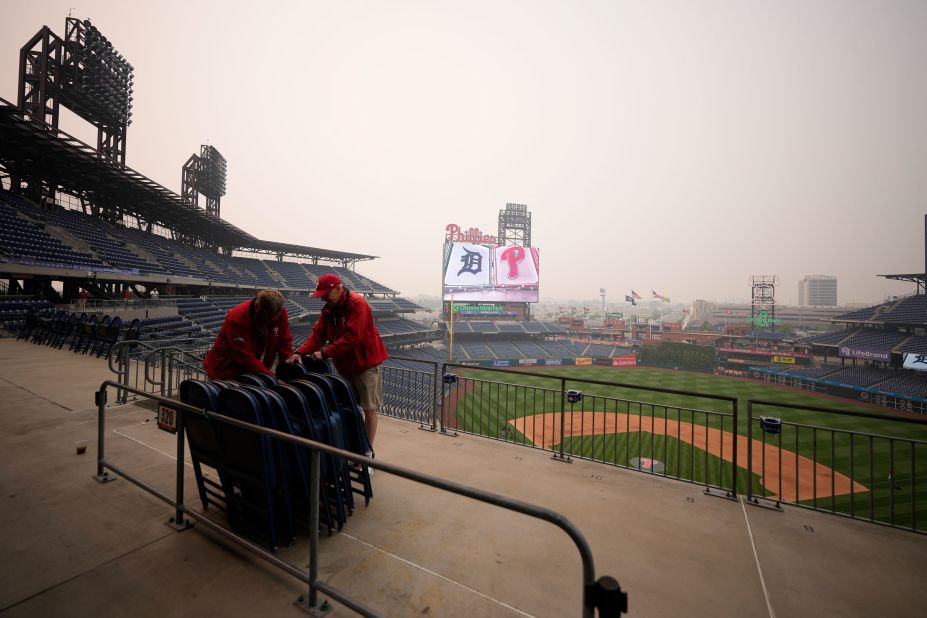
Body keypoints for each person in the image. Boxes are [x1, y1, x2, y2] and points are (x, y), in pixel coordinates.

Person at [287, 274, 388, 457]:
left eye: (326, 293)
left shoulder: (358, 303)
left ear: (338, 288)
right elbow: (318, 336)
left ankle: (367, 453)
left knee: (369, 409)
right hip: (346, 367)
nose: (323, 298)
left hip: (366, 365)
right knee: (349, 407)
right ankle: (353, 446)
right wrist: (299, 352)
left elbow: (352, 337)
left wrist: (325, 353)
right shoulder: (329, 310)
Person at [204, 289, 295, 380]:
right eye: (265, 318)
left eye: (272, 318)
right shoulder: (237, 317)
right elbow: (243, 356)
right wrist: (272, 378)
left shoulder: (280, 314)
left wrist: (289, 366)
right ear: (257, 306)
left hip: (247, 371)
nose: (267, 322)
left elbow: (284, 341)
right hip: (224, 369)